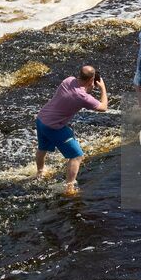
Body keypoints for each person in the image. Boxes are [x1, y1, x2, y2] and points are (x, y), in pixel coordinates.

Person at [35, 65, 108, 195]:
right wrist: (102, 88)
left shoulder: (68, 80)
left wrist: (88, 87)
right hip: (54, 127)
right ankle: (69, 188)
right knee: (76, 156)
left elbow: (74, 93)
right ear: (91, 79)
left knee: (42, 148)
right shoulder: (83, 97)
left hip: (41, 119)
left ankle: (40, 173)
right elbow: (103, 107)